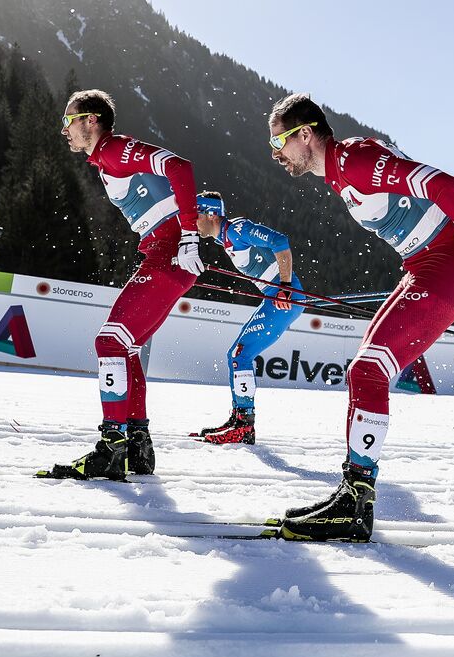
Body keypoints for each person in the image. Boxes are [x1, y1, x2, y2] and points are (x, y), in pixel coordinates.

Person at [265, 92, 454, 541]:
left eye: (280, 143)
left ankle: (353, 506)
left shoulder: (353, 160)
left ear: (305, 134)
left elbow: (443, 185)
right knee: (362, 372)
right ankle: (350, 496)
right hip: (427, 266)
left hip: (444, 268)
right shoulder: (339, 171)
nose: (275, 155)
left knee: (369, 372)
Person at [40, 89, 203, 481]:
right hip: (164, 255)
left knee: (109, 343)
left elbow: (180, 167)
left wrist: (189, 236)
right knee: (125, 349)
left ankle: (110, 449)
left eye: (69, 121)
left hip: (168, 254)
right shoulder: (105, 159)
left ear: (90, 120)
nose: (65, 131)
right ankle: (136, 447)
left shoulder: (113, 149)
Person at [190, 190, 302, 445]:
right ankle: (238, 419)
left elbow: (280, 240)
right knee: (236, 355)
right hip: (275, 295)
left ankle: (244, 426)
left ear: (211, 214)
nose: (192, 221)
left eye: (195, 215)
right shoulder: (223, 238)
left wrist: (285, 287)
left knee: (240, 354)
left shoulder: (238, 229)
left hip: (284, 297)